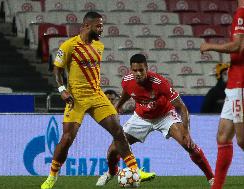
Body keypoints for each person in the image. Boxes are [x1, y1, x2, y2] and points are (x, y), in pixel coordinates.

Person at [41, 12, 148, 189]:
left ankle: (134, 169)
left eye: (102, 25)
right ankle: (52, 176)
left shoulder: (99, 45)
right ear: (86, 26)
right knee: (67, 139)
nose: (101, 28)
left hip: (97, 96)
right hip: (76, 99)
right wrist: (62, 90)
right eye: (98, 25)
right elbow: (57, 70)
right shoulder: (69, 46)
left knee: (118, 131)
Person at [96, 54, 215, 186]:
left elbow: (182, 107)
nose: (138, 73)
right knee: (113, 150)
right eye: (135, 70)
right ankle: (112, 172)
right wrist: (118, 106)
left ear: (147, 68)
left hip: (165, 116)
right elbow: (127, 92)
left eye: (141, 70)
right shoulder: (127, 81)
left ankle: (212, 178)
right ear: (131, 70)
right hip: (141, 117)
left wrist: (186, 132)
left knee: (189, 145)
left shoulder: (160, 83)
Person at [200, 0, 244, 188]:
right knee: (223, 137)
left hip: (240, 83)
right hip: (234, 84)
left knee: (242, 141)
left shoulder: (242, 12)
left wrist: (209, 46)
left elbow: (238, 47)